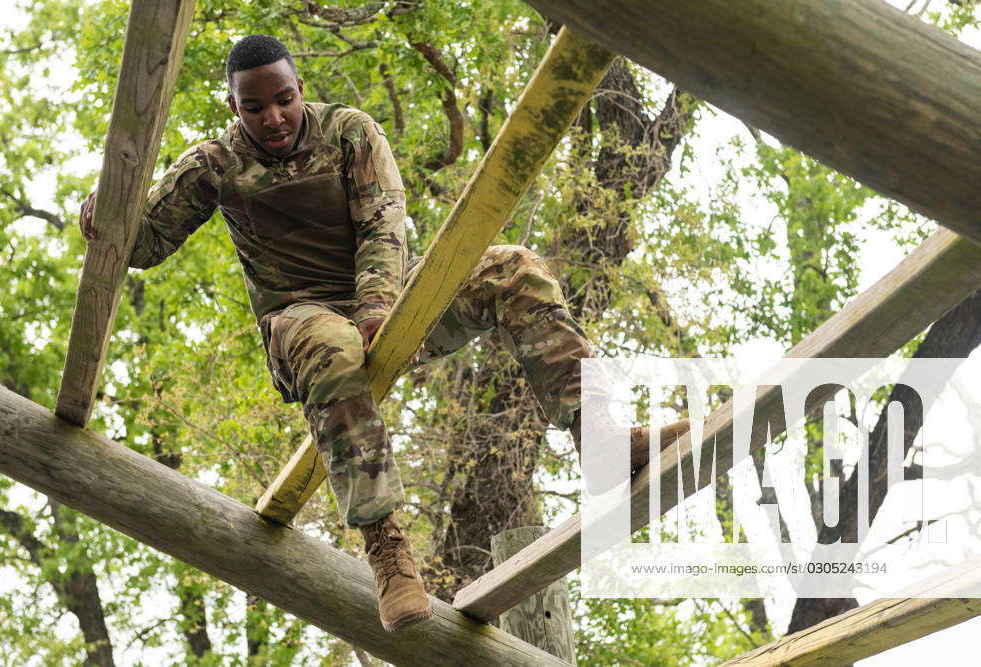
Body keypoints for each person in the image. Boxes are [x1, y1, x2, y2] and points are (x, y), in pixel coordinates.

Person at [79, 34, 688, 632]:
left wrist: (379, 305)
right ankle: (387, 550)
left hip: (386, 298)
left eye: (284, 99)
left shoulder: (348, 130)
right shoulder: (214, 163)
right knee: (331, 344)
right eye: (254, 107)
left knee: (513, 267)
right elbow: (146, 243)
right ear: (232, 106)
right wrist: (102, 208)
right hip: (301, 320)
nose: (274, 117)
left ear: (301, 90)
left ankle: (601, 441)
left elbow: (383, 219)